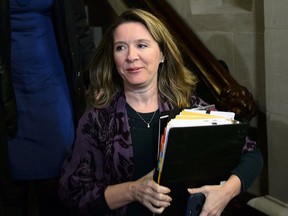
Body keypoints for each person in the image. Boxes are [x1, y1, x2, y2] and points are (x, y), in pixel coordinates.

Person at [58, 8, 263, 216]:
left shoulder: (190, 107)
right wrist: (133, 190)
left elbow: (252, 154)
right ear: (113, 58)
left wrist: (225, 193)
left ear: (162, 54)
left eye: (141, 45)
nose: (131, 56)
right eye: (121, 47)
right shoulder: (98, 117)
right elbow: (73, 193)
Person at [0, 0, 95, 215]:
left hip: (51, 76)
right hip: (8, 77)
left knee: (62, 157)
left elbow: (79, 25)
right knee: (12, 171)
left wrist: (95, 77)